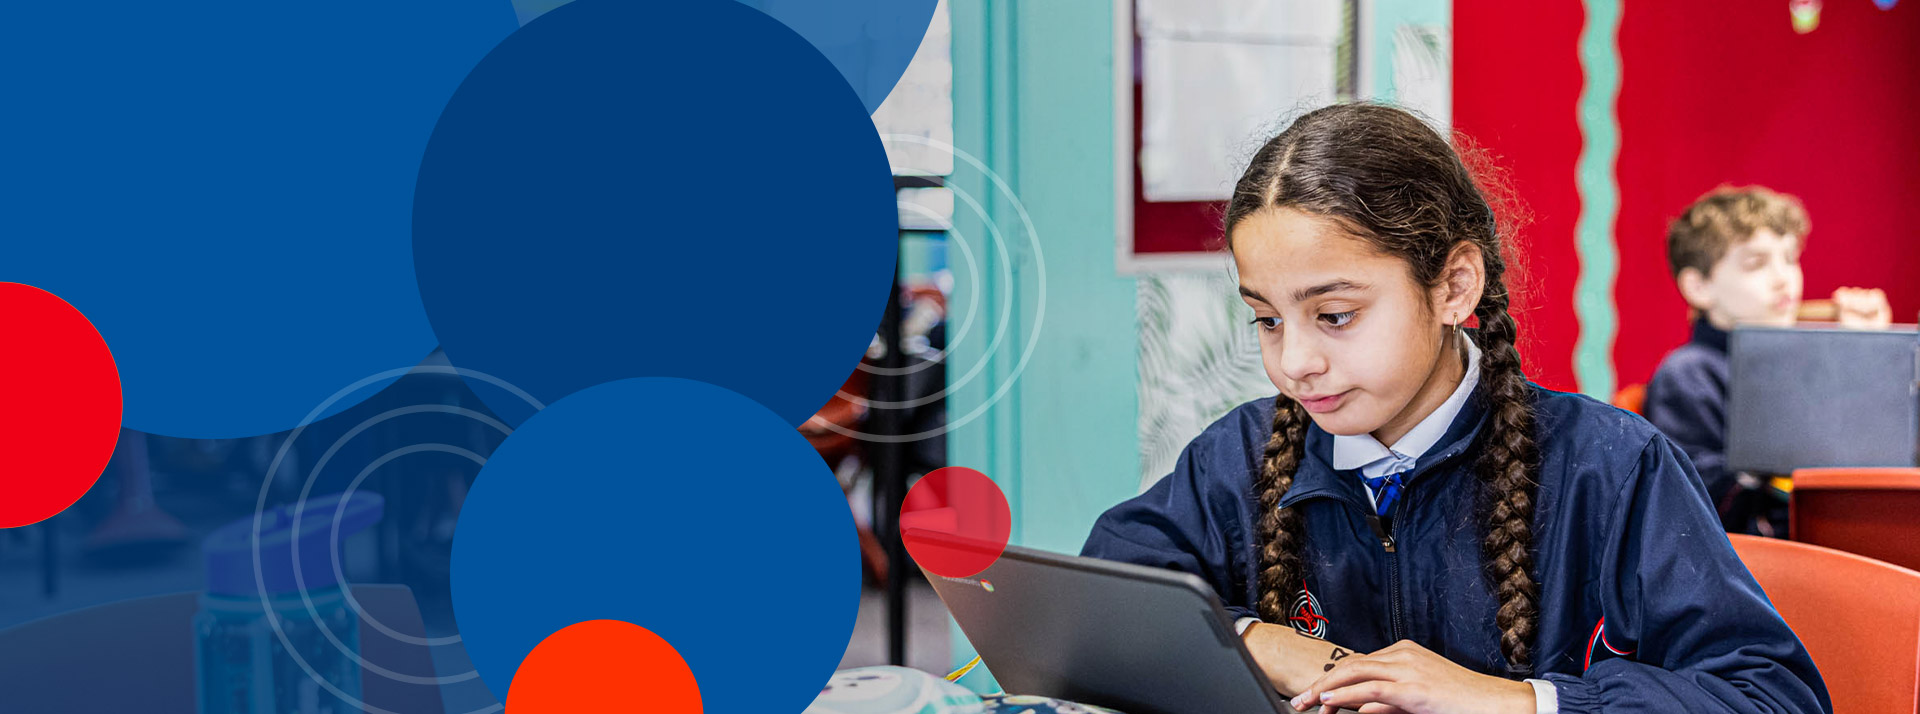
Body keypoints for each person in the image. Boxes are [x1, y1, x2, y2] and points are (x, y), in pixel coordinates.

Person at [1080, 104, 1828, 714]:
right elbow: (1104, 595)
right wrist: (1260, 640)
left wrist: (1516, 702)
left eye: (1334, 315)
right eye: (1267, 320)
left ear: (1455, 286)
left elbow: (1769, 695)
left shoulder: (1609, 466)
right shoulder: (1240, 454)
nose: (1294, 362)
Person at [1644, 185, 1890, 534]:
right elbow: (1696, 500)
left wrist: (1867, 355)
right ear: (1699, 287)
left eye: (1790, 259)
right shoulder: (1689, 373)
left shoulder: (1811, 365)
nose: (1783, 278)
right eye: (1756, 264)